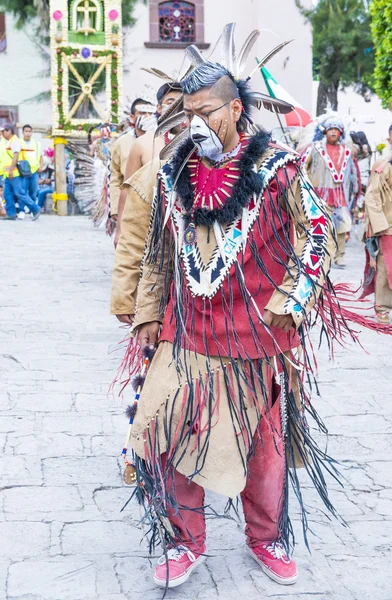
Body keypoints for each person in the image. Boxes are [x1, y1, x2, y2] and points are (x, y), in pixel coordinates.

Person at [118, 25, 347, 590]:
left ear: (237, 108)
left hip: (257, 340)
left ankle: (266, 538)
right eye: (185, 113)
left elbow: (318, 234)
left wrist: (292, 299)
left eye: (206, 111)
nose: (193, 124)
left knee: (263, 449)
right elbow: (158, 253)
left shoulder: (279, 168)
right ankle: (182, 541)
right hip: (187, 334)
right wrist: (148, 313)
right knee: (175, 438)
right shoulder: (176, 176)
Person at [113, 82, 183, 247]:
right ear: (158, 108)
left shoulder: (199, 142)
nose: (177, 106)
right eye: (171, 101)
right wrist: (120, 230)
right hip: (148, 228)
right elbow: (126, 188)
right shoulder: (141, 144)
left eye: (183, 101)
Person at [302, 116, 361, 268]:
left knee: (343, 225)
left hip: (338, 194)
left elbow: (354, 174)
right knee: (318, 224)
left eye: (336, 130)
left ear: (341, 133)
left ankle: (339, 256)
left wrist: (356, 193)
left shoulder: (346, 151)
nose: (333, 132)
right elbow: (302, 167)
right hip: (318, 193)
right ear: (325, 132)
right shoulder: (314, 148)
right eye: (331, 129)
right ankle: (320, 254)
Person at [362, 130, 392, 324]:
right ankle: (383, 307)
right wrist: (380, 225)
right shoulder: (384, 167)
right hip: (389, 225)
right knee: (386, 266)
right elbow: (372, 197)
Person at [110, 98, 155, 226]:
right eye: (142, 113)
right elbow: (115, 177)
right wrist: (115, 207)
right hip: (129, 203)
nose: (147, 117)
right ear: (132, 117)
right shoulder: (121, 142)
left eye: (150, 113)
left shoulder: (161, 140)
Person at [0, 123, 41, 221]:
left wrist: (10, 170)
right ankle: (11, 214)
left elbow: (15, 156)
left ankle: (35, 209)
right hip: (7, 174)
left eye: (3, 131)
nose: (1, 133)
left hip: (14, 174)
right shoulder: (7, 141)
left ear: (9, 131)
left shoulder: (14, 141)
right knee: (7, 194)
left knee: (20, 193)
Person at [20, 124, 43, 212]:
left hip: (34, 172)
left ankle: (32, 211)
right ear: (23, 132)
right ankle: (21, 210)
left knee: (33, 193)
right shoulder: (19, 142)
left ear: (32, 132)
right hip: (23, 172)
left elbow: (41, 157)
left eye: (29, 131)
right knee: (23, 192)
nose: (28, 133)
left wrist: (40, 167)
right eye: (26, 131)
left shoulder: (37, 144)